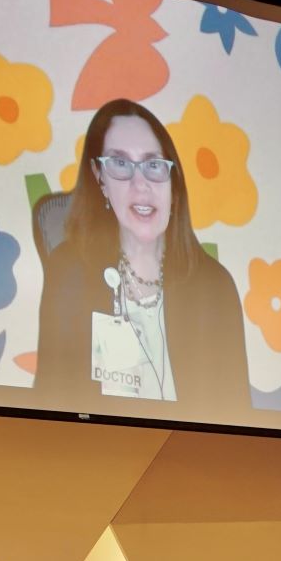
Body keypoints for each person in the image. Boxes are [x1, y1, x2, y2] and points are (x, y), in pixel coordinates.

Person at [35, 98, 249, 409]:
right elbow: (50, 404)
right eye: (120, 164)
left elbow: (236, 418)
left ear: (173, 183)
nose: (141, 184)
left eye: (153, 165)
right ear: (100, 178)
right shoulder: (70, 272)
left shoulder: (214, 287)